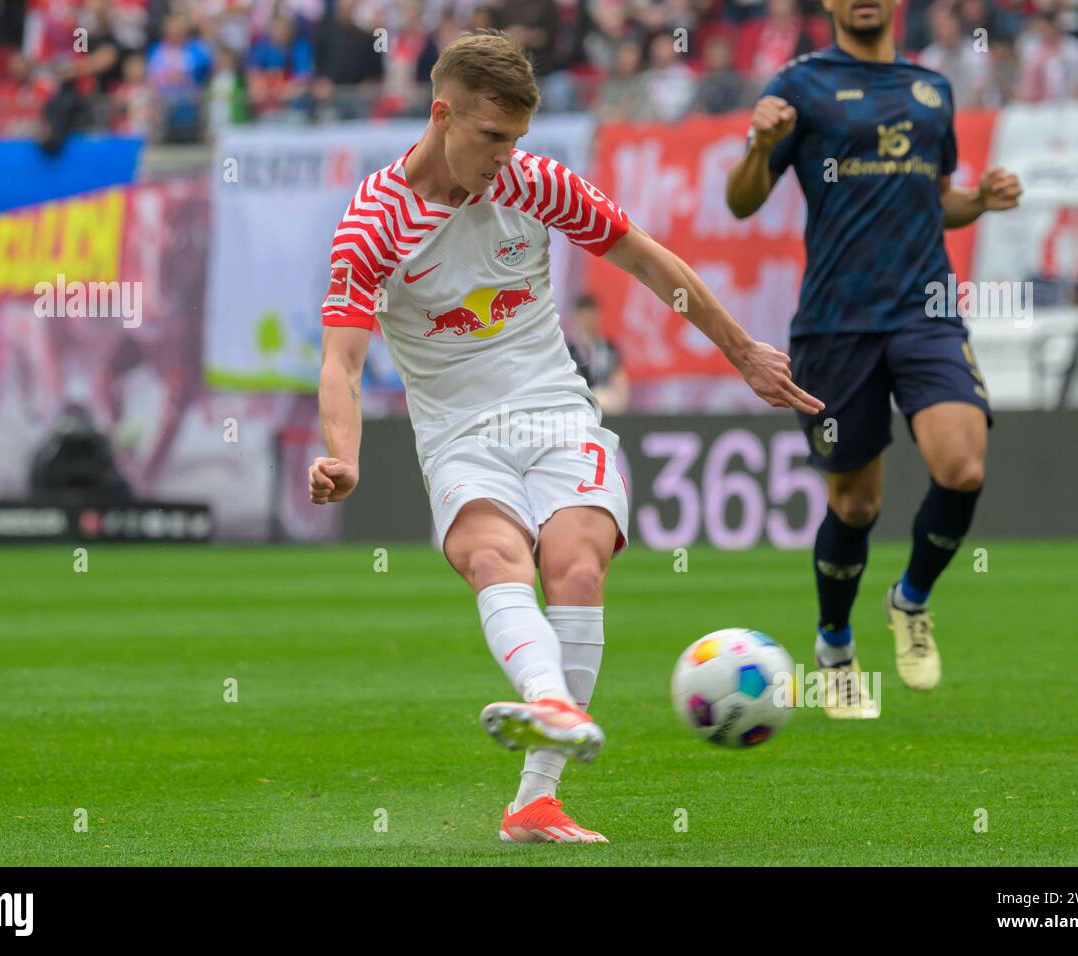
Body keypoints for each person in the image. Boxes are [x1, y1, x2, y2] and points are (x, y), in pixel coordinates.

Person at [312, 29, 820, 843]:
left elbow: (652, 263)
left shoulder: (533, 182)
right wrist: (345, 454)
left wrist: (743, 353)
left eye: (517, 137)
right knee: (492, 557)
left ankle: (535, 800)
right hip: (458, 434)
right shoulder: (373, 223)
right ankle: (548, 703)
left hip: (556, 412)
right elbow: (340, 361)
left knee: (576, 564)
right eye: (491, 137)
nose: (506, 155)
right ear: (442, 114)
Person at [726, 0, 1022, 717]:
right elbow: (741, 204)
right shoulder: (800, 85)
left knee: (964, 465)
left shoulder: (932, 89)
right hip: (836, 325)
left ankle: (910, 600)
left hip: (925, 312)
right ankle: (833, 646)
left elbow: (936, 198)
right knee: (855, 504)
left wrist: (977, 201)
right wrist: (759, 147)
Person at [567, 293, 628, 415]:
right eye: (584, 315)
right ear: (577, 317)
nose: (588, 320)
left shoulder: (609, 349)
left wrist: (618, 402)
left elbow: (620, 383)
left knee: (605, 398)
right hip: (582, 409)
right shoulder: (570, 351)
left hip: (608, 407)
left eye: (591, 315)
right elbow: (571, 385)